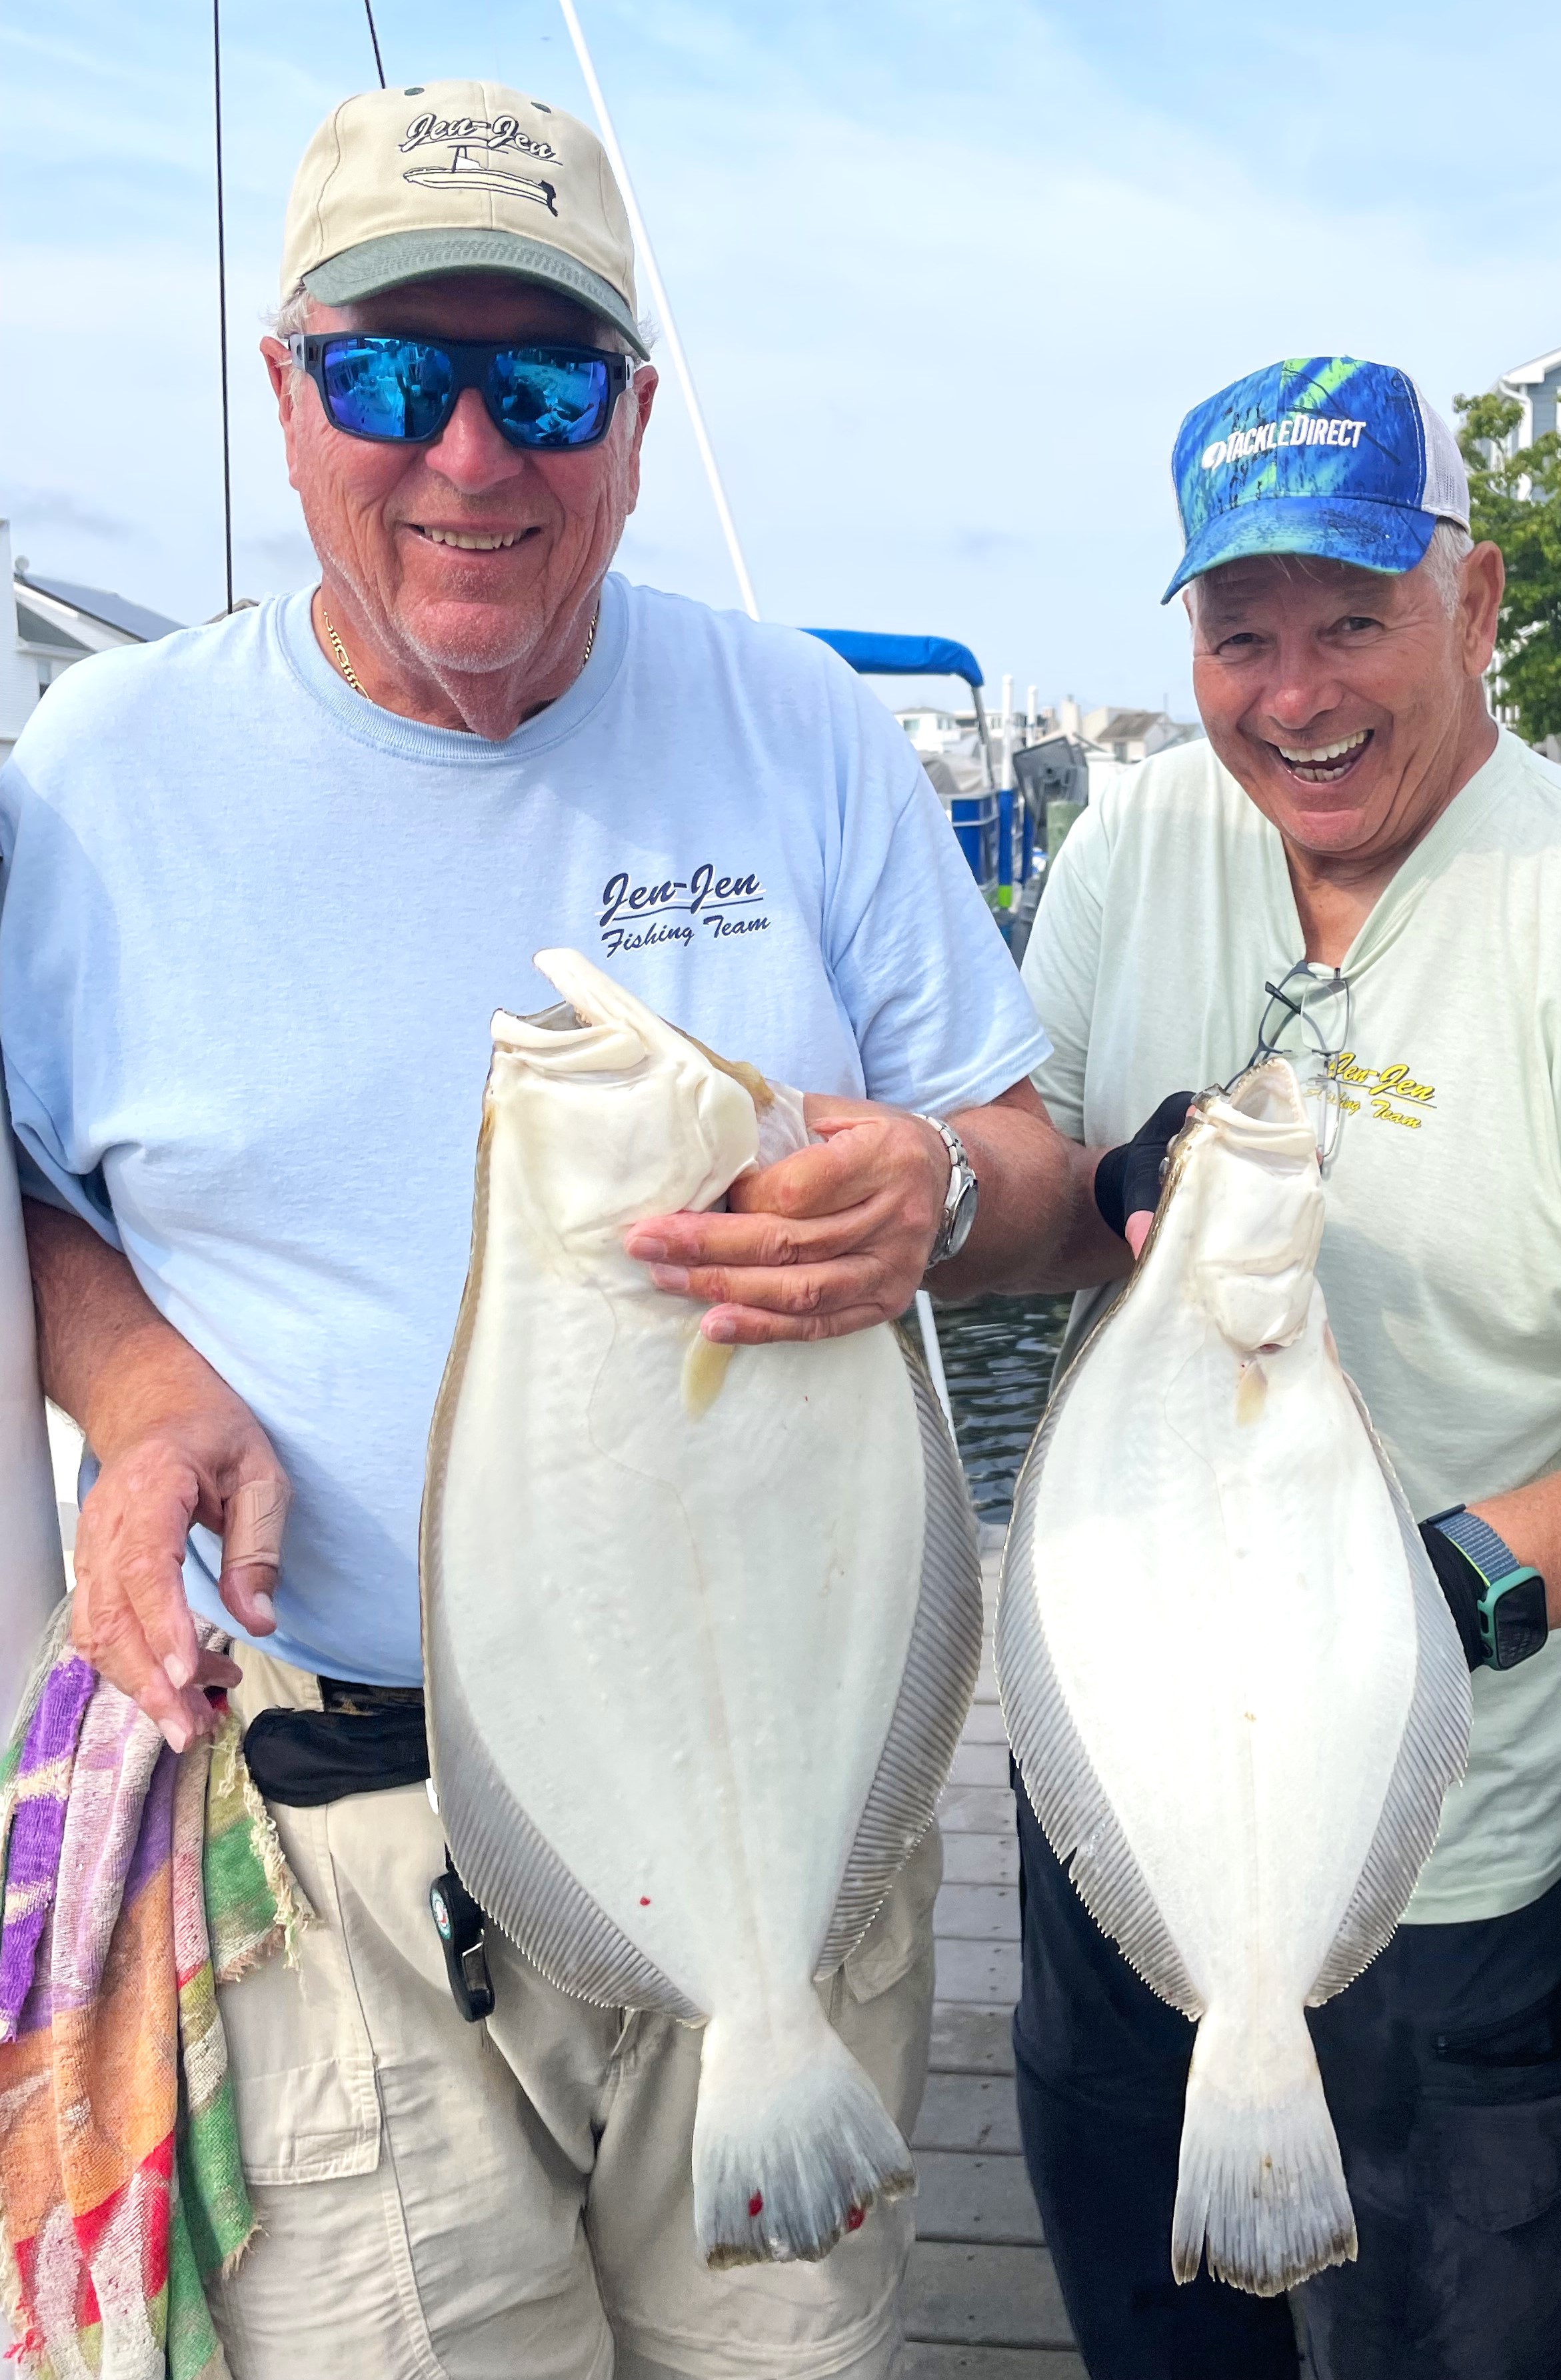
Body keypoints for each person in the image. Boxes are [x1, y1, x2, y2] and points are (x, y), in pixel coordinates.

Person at [0, 78, 1075, 2380]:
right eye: (392, 374)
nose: (469, 454)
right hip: (329, 1838)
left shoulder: (796, 730)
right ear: (282, 391)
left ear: (637, 416)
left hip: (784, 1792)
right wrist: (138, 1382)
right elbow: (31, 1176)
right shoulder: (92, 782)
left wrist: (947, 1186)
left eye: (544, 382)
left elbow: (1038, 1169)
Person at [995, 355, 1561, 2380]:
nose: (1295, 694)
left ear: (1475, 609)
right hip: (1114, 1813)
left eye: (1355, 620)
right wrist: (1088, 1182)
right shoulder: (1133, 850)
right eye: (1241, 632)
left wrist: (1450, 1578)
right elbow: (1025, 1187)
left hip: (1447, 1891)